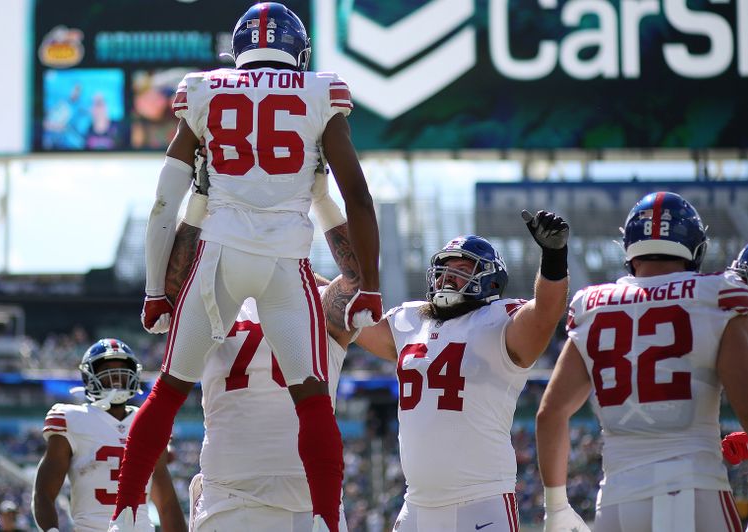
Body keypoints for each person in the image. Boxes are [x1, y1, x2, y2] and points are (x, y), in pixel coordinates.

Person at [113, 4, 382, 532]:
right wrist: (370, 286)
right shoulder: (319, 91)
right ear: (296, 51)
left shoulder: (205, 89)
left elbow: (164, 203)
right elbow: (359, 197)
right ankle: (328, 520)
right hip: (286, 263)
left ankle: (123, 515)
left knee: (168, 390)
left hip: (218, 256)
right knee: (312, 398)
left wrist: (152, 289)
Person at [535, 191, 748, 532]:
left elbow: (549, 414)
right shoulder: (716, 294)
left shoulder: (592, 305)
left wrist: (557, 507)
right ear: (695, 246)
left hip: (617, 499)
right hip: (693, 487)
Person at [163, 168, 360, 531]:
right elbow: (358, 279)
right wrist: (323, 201)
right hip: (238, 498)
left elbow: (358, 286)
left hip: (295, 501)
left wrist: (200, 206)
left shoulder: (316, 300)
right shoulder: (211, 299)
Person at [353, 211, 572, 531]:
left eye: (461, 269)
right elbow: (348, 313)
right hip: (415, 506)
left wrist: (553, 257)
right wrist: (296, 270)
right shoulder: (409, 320)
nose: (447, 278)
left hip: (481, 505)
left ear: (491, 281)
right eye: (443, 270)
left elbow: (545, 314)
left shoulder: (500, 320)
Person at [32, 339, 186, 532]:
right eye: (107, 368)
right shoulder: (71, 419)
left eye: (122, 368)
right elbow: (44, 492)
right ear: (90, 376)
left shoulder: (148, 420)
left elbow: (166, 502)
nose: (116, 376)